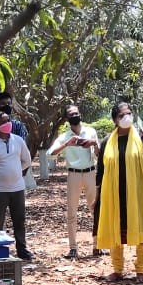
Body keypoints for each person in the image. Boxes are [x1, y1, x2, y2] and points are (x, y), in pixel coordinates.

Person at [95, 101, 143, 281]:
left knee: (142, 226)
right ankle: (117, 269)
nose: (127, 117)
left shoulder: (141, 136)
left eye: (129, 113)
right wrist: (97, 196)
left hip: (139, 192)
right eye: (122, 115)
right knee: (116, 229)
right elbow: (100, 171)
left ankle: (141, 270)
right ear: (114, 120)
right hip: (114, 194)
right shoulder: (106, 142)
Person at [49, 104, 100, 260]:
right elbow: (51, 154)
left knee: (95, 210)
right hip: (74, 175)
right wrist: (67, 144)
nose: (74, 115)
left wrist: (94, 144)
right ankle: (73, 248)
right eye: (71, 114)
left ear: (80, 114)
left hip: (91, 172)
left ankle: (97, 245)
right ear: (67, 118)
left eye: (76, 113)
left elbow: (99, 154)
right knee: (72, 212)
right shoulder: (64, 136)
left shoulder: (91, 131)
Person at [0, 112, 34, 259]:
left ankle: (22, 249)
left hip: (17, 188)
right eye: (4, 121)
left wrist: (16, 172)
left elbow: (27, 160)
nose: (8, 123)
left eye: (9, 120)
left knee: (19, 220)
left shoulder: (18, 140)